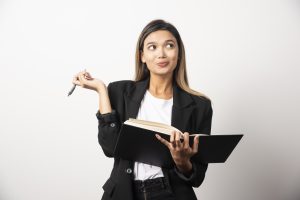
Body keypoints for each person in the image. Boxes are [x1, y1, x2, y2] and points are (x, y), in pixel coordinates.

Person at [72, 19, 213, 200]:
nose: (161, 54)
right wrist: (101, 89)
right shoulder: (119, 91)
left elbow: (197, 177)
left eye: (169, 45)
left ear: (178, 53)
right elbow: (110, 148)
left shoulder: (200, 105)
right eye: (152, 47)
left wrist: (182, 161)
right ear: (142, 56)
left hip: (171, 194)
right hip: (124, 192)